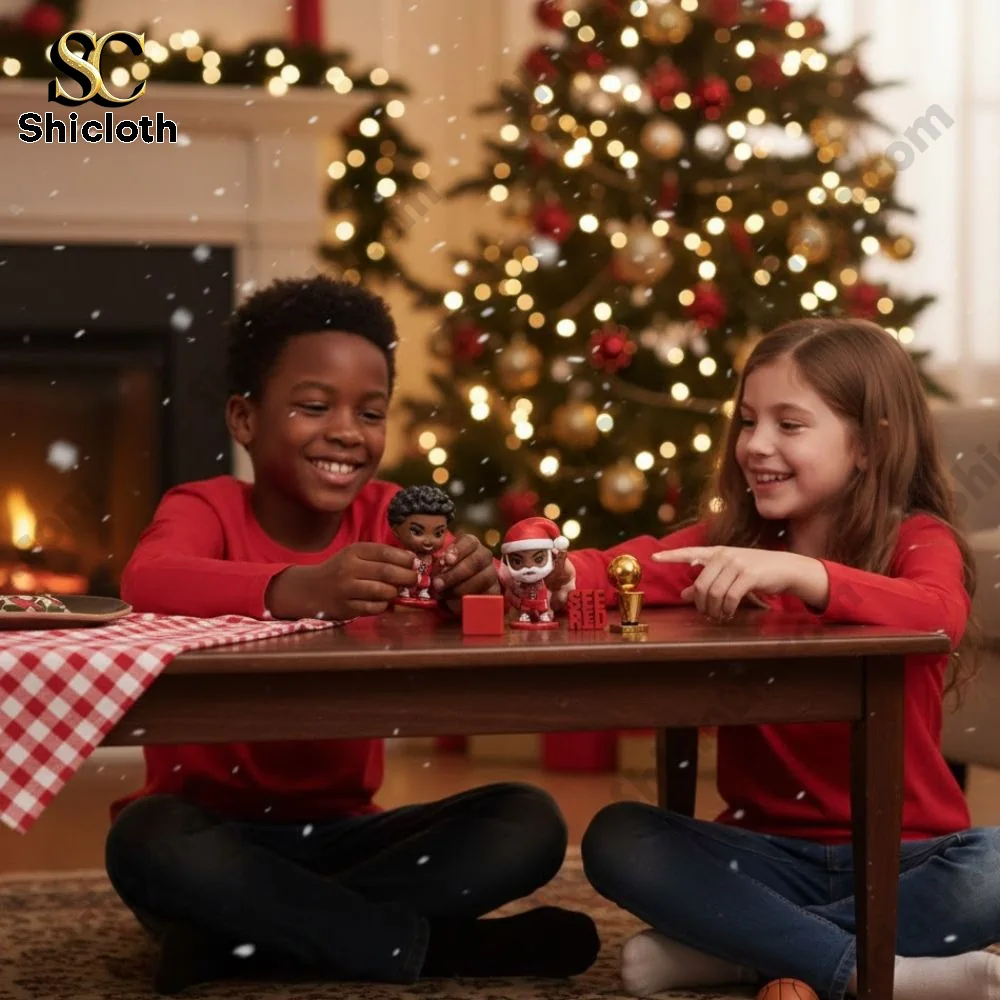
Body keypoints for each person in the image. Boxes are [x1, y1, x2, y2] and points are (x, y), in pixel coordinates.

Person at [107, 276, 599, 995]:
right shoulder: (205, 507)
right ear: (244, 419)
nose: (346, 430)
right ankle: (425, 948)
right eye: (314, 406)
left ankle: (248, 937)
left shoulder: (394, 515)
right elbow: (145, 580)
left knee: (528, 821)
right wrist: (293, 587)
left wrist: (474, 591)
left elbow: (464, 602)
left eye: (371, 413)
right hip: (211, 836)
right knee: (144, 842)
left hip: (351, 838)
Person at [549, 318, 1000, 1000]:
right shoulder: (732, 542)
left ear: (870, 446)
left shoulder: (918, 538)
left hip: (907, 857)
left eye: (789, 425)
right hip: (762, 855)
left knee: (993, 867)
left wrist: (802, 574)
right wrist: (549, 567)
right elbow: (623, 570)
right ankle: (873, 971)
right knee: (621, 837)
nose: (755, 446)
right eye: (749, 421)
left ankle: (739, 953)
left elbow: (936, 612)